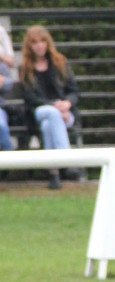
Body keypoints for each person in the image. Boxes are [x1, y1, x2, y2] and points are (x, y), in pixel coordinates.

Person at [21, 25, 80, 189]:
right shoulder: (26, 68)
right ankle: (67, 162)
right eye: (35, 42)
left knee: (49, 126)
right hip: (40, 110)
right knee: (51, 115)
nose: (39, 45)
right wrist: (54, 105)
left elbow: (74, 91)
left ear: (48, 43)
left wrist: (67, 103)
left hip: (64, 113)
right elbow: (30, 98)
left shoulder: (60, 62)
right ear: (29, 46)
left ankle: (54, 175)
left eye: (42, 41)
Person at [0, 24, 15, 152]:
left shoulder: (1, 67)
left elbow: (9, 84)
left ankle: (10, 162)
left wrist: (3, 82)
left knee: (0, 125)